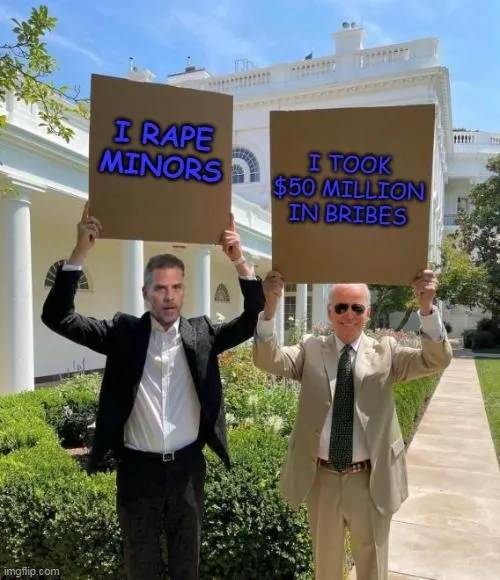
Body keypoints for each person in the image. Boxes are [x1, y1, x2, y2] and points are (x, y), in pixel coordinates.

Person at [41, 202, 265, 580]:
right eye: (160, 288)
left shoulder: (203, 335)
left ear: (184, 292)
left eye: (176, 287)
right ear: (146, 293)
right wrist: (80, 251)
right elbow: (57, 317)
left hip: (187, 471)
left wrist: (239, 260)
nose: (169, 296)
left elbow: (249, 319)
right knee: (140, 568)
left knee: (186, 569)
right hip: (137, 473)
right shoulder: (123, 334)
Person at [252, 270, 452, 580]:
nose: (349, 315)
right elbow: (268, 359)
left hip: (370, 480)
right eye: (341, 307)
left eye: (357, 308)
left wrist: (426, 309)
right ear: (329, 311)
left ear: (367, 313)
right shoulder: (310, 349)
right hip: (323, 479)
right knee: (327, 569)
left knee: (373, 569)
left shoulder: (387, 351)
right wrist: (270, 307)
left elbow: (435, 360)